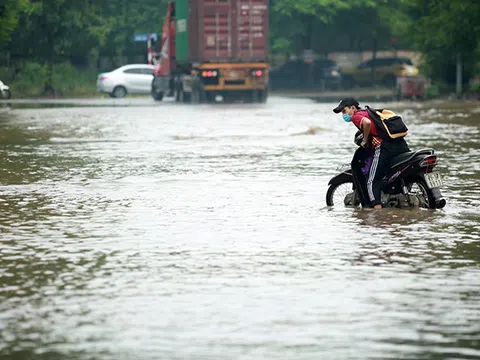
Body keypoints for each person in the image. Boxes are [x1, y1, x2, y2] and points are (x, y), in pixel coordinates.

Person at [333, 97, 410, 209]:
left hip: (385, 148)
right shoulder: (370, 112)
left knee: (371, 181)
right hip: (401, 145)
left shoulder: (357, 116)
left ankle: (376, 214)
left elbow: (367, 123)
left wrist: (364, 139)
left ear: (353, 108)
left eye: (344, 111)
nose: (343, 115)